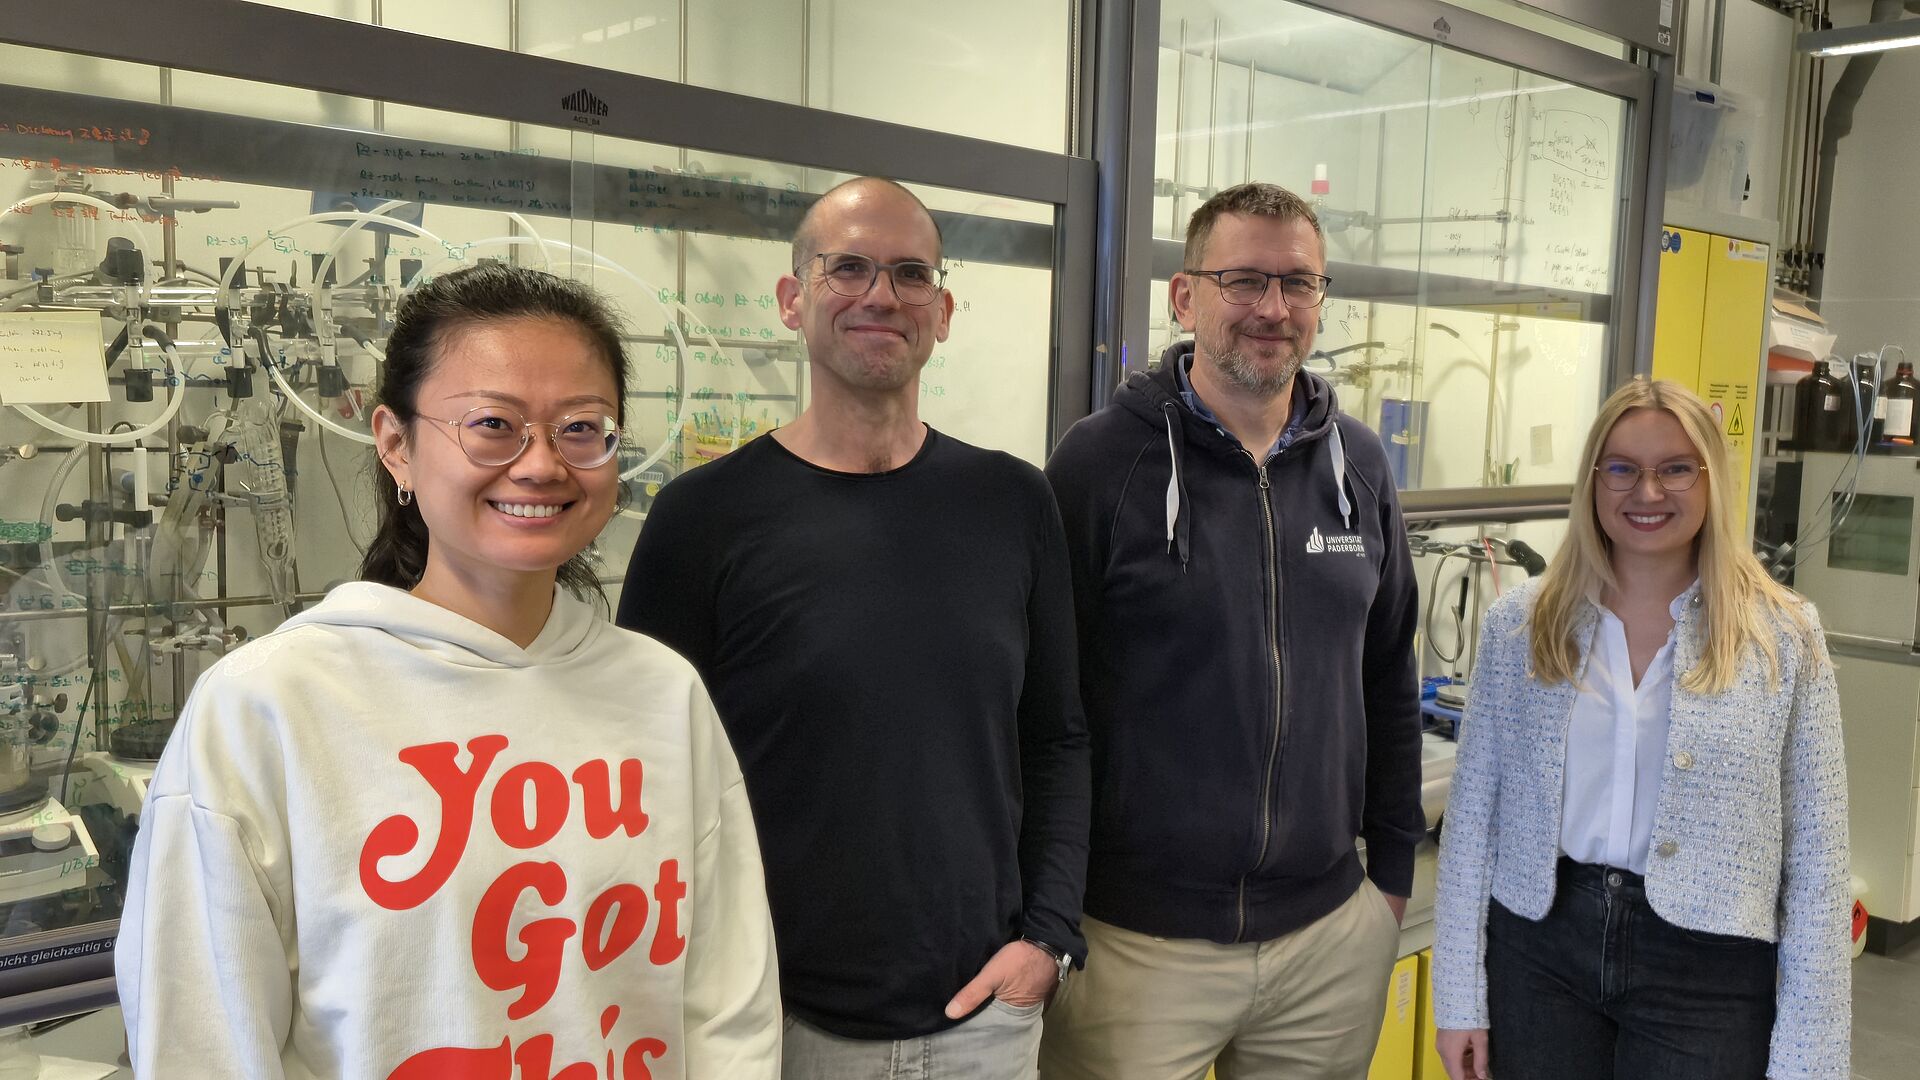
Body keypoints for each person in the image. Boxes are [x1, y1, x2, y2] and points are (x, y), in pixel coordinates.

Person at [115, 264, 780, 1079]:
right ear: (397, 445)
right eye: (493, 424)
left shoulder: (663, 692)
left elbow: (726, 1006)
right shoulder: (271, 706)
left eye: (581, 427)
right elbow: (202, 1041)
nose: (541, 464)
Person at [617, 176, 1090, 1080]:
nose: (881, 294)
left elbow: (1057, 739)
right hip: (776, 1024)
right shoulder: (702, 519)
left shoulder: (1013, 502)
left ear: (941, 311)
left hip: (985, 1019)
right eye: (849, 268)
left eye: (911, 273)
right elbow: (649, 774)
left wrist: (1048, 939)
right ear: (792, 299)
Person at [1039, 182, 1423, 1079]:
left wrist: (1390, 882)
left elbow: (1388, 678)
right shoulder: (1101, 463)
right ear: (1186, 297)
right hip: (1136, 948)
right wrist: (1050, 910)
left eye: (1298, 283)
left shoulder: (1361, 467)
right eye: (1244, 280)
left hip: (1328, 940)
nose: (1273, 309)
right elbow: (1047, 707)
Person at [1432, 378, 1851, 1080]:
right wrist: (1458, 997)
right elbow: (1474, 821)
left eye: (1676, 468)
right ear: (1594, 481)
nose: (1647, 492)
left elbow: (1818, 858)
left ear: (1710, 479)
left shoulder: (1782, 636)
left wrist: (1812, 1058)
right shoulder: (1523, 625)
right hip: (1540, 949)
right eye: (1622, 468)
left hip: (1708, 970)